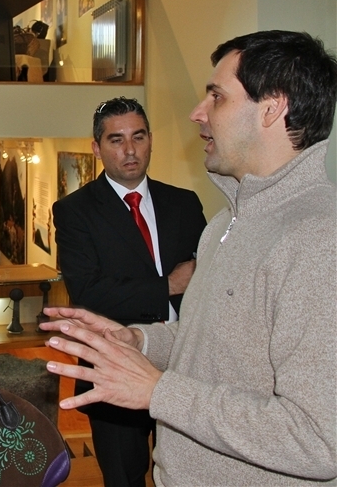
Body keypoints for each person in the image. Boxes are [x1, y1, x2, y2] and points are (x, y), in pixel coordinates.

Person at [42, 30, 337, 485]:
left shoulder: (319, 239)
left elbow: (317, 441)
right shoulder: (225, 224)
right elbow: (208, 339)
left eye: (217, 97)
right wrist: (139, 341)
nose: (198, 112)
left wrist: (159, 391)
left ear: (272, 107)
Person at [52, 97, 206, 486]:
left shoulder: (184, 203)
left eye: (138, 137)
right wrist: (169, 285)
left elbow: (208, 279)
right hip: (114, 366)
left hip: (184, 367)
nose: (130, 150)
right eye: (116, 140)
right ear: (96, 147)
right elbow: (89, 293)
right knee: (125, 477)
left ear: (151, 139)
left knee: (187, 473)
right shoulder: (75, 211)